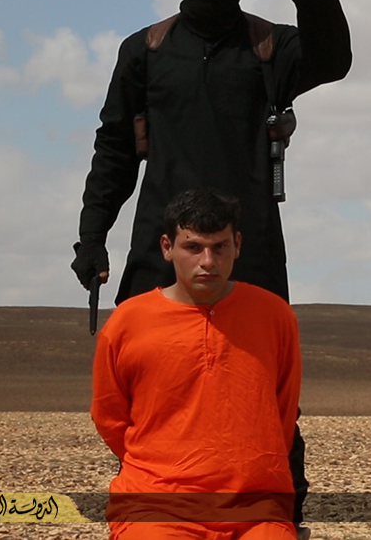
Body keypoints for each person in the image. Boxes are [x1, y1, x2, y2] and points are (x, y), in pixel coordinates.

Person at [72, 0, 350, 530]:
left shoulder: (269, 48)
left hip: (249, 250)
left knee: (263, 390)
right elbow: (114, 149)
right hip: (160, 248)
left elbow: (333, 59)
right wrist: (92, 236)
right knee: (150, 386)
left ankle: (277, 517)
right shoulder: (146, 52)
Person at [92, 188, 302, 540]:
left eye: (219, 247)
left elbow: (282, 410)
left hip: (256, 506)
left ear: (237, 245)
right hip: (156, 504)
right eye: (193, 247)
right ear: (167, 247)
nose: (208, 261)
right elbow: (109, 415)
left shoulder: (274, 316)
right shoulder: (128, 322)